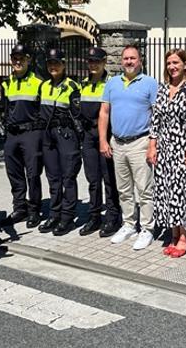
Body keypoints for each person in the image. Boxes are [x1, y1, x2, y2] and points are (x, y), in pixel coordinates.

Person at [98, 44, 159, 250]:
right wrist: (103, 140)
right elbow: (104, 112)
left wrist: (153, 143)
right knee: (123, 189)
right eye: (126, 59)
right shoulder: (112, 83)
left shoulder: (150, 83)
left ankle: (147, 228)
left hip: (140, 142)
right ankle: (129, 224)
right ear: (121, 61)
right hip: (118, 143)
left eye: (133, 58)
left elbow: (157, 115)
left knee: (144, 189)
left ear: (140, 60)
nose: (129, 62)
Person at [150, 49, 186, 258]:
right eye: (169, 63)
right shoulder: (162, 89)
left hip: (184, 148)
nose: (172, 67)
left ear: (185, 65)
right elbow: (155, 120)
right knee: (167, 191)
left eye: (176, 63)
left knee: (184, 192)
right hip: (165, 150)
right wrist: (152, 145)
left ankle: (184, 236)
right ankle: (173, 231)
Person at [76, 47, 122, 237]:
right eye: (90, 61)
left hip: (106, 135)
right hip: (88, 136)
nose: (93, 64)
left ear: (104, 62)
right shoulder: (83, 83)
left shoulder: (111, 83)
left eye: (97, 61)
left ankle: (113, 217)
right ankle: (94, 216)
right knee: (93, 180)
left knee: (109, 179)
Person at [37, 48, 82, 236]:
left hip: (66, 135)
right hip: (48, 136)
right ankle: (54, 214)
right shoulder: (44, 85)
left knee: (68, 178)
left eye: (56, 63)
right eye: (50, 63)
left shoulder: (72, 86)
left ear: (64, 64)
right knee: (53, 178)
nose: (53, 66)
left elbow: (78, 113)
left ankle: (67, 218)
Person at [0, 44, 44, 228]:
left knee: (33, 174)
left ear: (28, 60)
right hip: (12, 133)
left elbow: (43, 110)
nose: (18, 62)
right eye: (15, 58)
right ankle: (19, 207)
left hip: (31, 133)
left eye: (22, 58)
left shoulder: (38, 82)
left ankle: (34, 210)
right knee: (14, 173)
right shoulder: (6, 82)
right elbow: (4, 108)